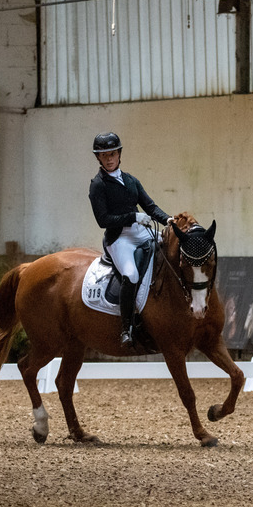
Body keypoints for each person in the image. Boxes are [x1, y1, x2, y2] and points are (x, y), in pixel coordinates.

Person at [88, 132, 173, 346]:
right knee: (132, 275)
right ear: (98, 158)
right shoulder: (98, 185)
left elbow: (150, 207)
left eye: (113, 154)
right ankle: (127, 328)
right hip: (119, 238)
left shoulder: (130, 180)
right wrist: (132, 217)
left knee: (168, 252)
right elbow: (103, 219)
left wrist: (168, 220)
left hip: (141, 231)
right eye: (104, 155)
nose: (109, 158)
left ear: (119, 154)